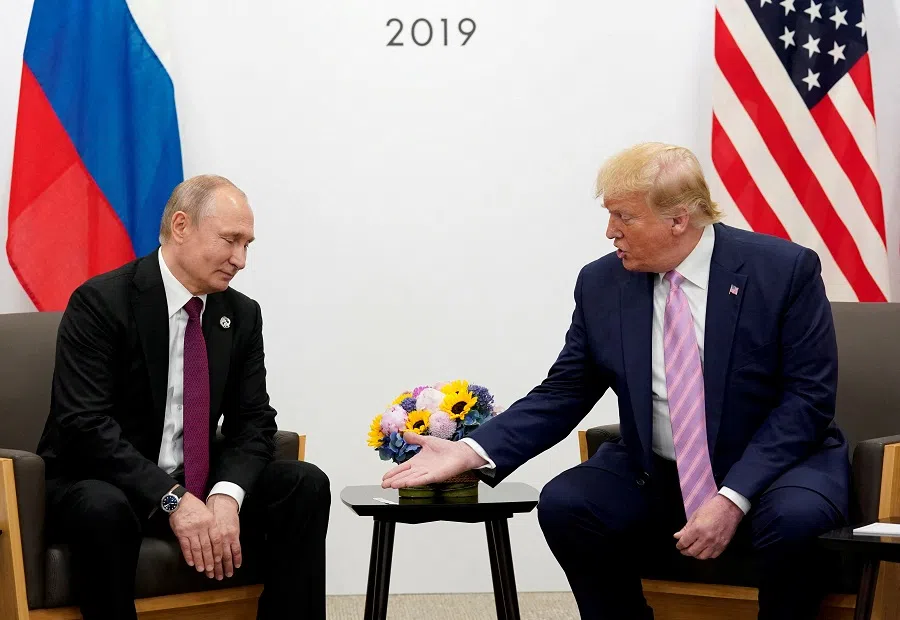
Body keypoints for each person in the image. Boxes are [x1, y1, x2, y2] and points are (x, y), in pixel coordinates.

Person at [382, 143, 849, 620]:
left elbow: (807, 401)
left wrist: (732, 497)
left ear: (678, 219)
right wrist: (473, 450)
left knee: (796, 521)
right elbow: (565, 390)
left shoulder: (783, 271)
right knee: (568, 504)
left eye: (623, 217)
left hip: (776, 470)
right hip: (660, 470)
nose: (610, 233)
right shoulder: (602, 283)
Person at [38, 175, 330, 620]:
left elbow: (254, 422)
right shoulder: (101, 303)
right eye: (231, 240)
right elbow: (84, 425)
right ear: (181, 226)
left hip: (198, 482)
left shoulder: (242, 314)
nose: (241, 260)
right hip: (107, 483)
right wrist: (171, 498)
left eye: (248, 245)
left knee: (304, 484)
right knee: (103, 507)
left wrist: (227, 495)